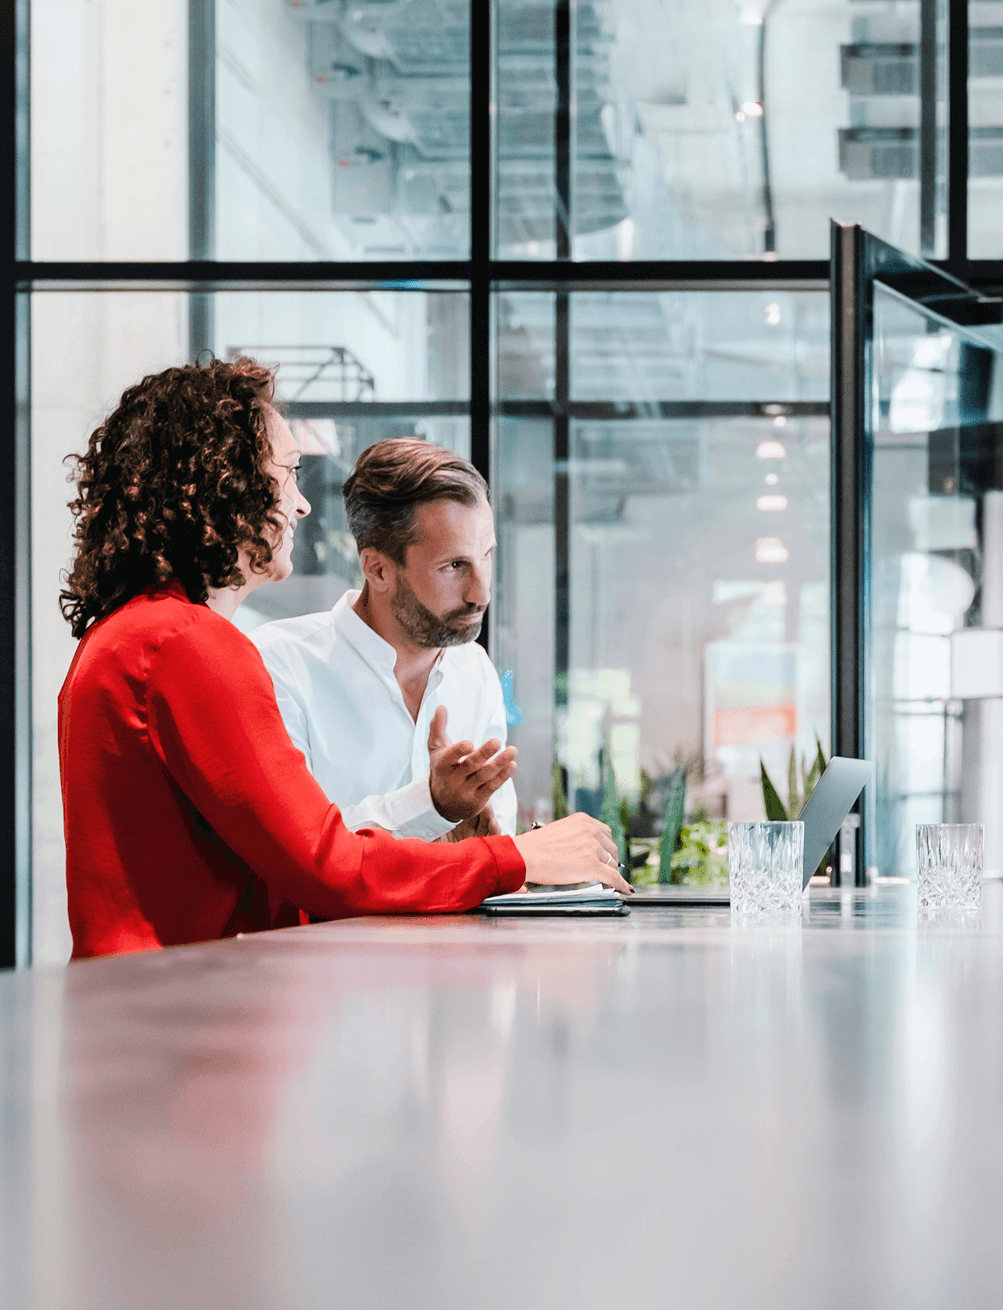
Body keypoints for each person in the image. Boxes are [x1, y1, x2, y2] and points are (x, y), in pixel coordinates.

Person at [57, 358, 628, 960]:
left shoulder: (132, 635)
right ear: (221, 483)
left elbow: (267, 873)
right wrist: (512, 858)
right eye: (289, 475)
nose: (302, 506)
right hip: (177, 1016)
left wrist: (473, 841)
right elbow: (327, 865)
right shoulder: (188, 645)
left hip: (143, 1004)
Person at [253, 439, 518, 844]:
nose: (480, 594)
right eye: (454, 566)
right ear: (377, 570)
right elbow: (294, 844)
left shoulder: (474, 670)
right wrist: (432, 805)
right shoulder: (278, 666)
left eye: (487, 557)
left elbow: (496, 839)